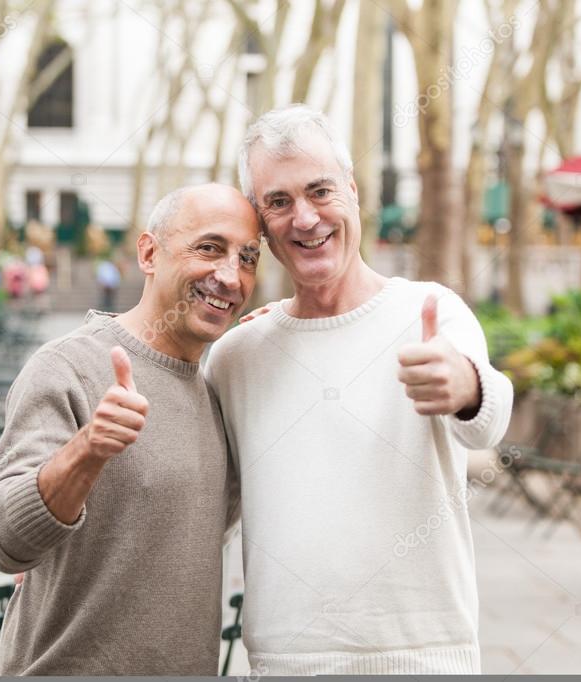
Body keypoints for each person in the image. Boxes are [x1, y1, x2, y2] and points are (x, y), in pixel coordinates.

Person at [205, 105, 514, 675]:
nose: (304, 218)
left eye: (320, 191)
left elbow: (487, 424)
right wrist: (75, 543)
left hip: (425, 657)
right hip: (285, 661)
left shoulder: (431, 311)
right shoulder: (235, 357)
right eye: (278, 202)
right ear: (260, 223)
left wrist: (466, 384)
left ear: (351, 190)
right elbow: (204, 509)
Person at [0, 183, 261, 674]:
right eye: (209, 248)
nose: (229, 276)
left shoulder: (216, 391)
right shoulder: (68, 366)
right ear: (149, 253)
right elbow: (3, 542)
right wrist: (87, 452)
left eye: (249, 258)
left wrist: (278, 342)